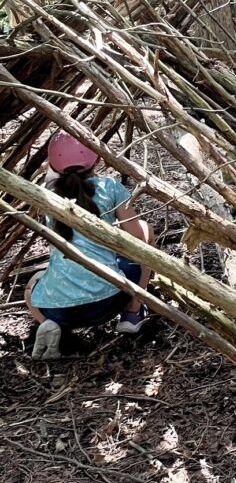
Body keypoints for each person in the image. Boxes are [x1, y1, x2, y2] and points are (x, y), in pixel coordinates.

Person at [26, 130, 154, 361]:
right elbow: (138, 238)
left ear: (53, 164)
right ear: (96, 158)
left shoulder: (46, 195)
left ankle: (49, 324)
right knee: (146, 232)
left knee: (33, 283)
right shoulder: (110, 187)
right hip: (108, 301)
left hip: (58, 310)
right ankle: (133, 312)